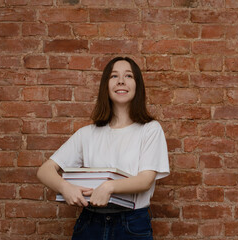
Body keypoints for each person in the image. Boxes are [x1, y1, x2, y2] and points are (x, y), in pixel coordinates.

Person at [37, 57, 170, 240]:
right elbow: (44, 170)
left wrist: (109, 187)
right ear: (105, 86)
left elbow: (145, 180)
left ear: (137, 85)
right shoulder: (87, 133)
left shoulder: (150, 129)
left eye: (128, 76)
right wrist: (65, 187)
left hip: (132, 225)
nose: (121, 80)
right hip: (90, 224)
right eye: (114, 76)